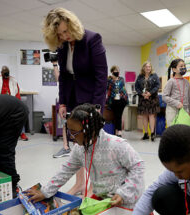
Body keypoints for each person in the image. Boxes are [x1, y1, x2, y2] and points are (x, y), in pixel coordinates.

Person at [26, 104, 145, 209]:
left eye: (75, 133)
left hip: (126, 202)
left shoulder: (116, 145)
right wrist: (45, 191)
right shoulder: (80, 149)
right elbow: (65, 171)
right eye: (69, 132)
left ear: (90, 131)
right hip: (103, 199)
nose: (71, 137)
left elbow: (138, 166)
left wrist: (124, 193)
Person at [42, 8, 108, 195]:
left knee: (93, 142)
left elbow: (101, 76)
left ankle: (94, 185)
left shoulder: (92, 39)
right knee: (77, 141)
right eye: (60, 34)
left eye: (66, 30)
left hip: (90, 98)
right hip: (72, 98)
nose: (64, 36)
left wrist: (96, 107)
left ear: (73, 25)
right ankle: (80, 183)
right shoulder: (62, 45)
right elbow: (63, 76)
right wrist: (62, 102)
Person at [0, 66, 28, 141]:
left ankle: (22, 133)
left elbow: (17, 92)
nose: (6, 76)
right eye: (5, 74)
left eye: (7, 74)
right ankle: (0, 134)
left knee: (20, 115)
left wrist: (18, 103)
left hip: (12, 101)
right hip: (1, 101)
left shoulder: (13, 80)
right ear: (1, 73)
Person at [163, 59, 190, 126]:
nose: (183, 67)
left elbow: (189, 99)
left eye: (184, 66)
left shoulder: (187, 82)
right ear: (174, 69)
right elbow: (164, 97)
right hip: (172, 111)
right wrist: (176, 103)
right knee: (173, 133)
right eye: (181, 66)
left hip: (185, 111)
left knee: (183, 133)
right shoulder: (171, 81)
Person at [135, 61, 160, 141]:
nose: (148, 68)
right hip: (143, 99)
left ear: (151, 68)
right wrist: (142, 94)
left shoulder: (154, 75)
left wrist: (150, 93)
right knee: (144, 116)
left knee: (151, 115)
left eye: (149, 67)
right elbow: (137, 87)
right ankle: (145, 134)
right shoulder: (140, 76)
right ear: (143, 68)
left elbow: (157, 86)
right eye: (146, 67)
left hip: (152, 98)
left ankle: (152, 134)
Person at [106, 65, 128, 137]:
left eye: (118, 70)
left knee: (118, 115)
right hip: (113, 100)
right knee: (117, 116)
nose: (117, 72)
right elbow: (108, 89)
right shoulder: (109, 80)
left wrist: (115, 80)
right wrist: (112, 79)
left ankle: (118, 131)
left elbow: (120, 86)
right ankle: (118, 131)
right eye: (116, 70)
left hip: (122, 100)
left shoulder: (121, 79)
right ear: (112, 72)